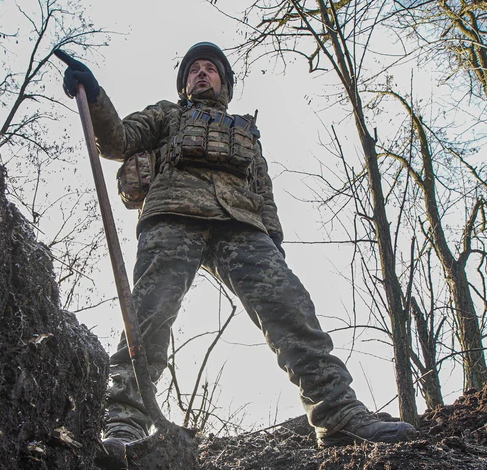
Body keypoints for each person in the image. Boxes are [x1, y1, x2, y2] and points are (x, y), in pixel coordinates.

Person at [61, 42, 416, 457]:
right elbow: (118, 140)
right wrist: (95, 94)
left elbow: (264, 193)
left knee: (290, 306)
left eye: (210, 69)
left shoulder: (245, 132)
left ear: (224, 83)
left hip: (241, 224)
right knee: (148, 314)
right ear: (184, 83)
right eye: (194, 69)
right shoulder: (167, 115)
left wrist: (274, 247)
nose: (201, 73)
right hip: (174, 213)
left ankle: (337, 415)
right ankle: (124, 422)